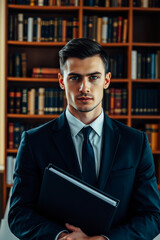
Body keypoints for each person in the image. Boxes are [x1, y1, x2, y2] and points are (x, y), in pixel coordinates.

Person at [8, 38, 160, 240]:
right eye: (75, 78)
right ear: (62, 81)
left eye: (93, 77)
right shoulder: (34, 142)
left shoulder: (136, 143)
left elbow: (152, 215)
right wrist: (61, 237)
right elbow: (19, 214)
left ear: (106, 80)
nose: (84, 87)